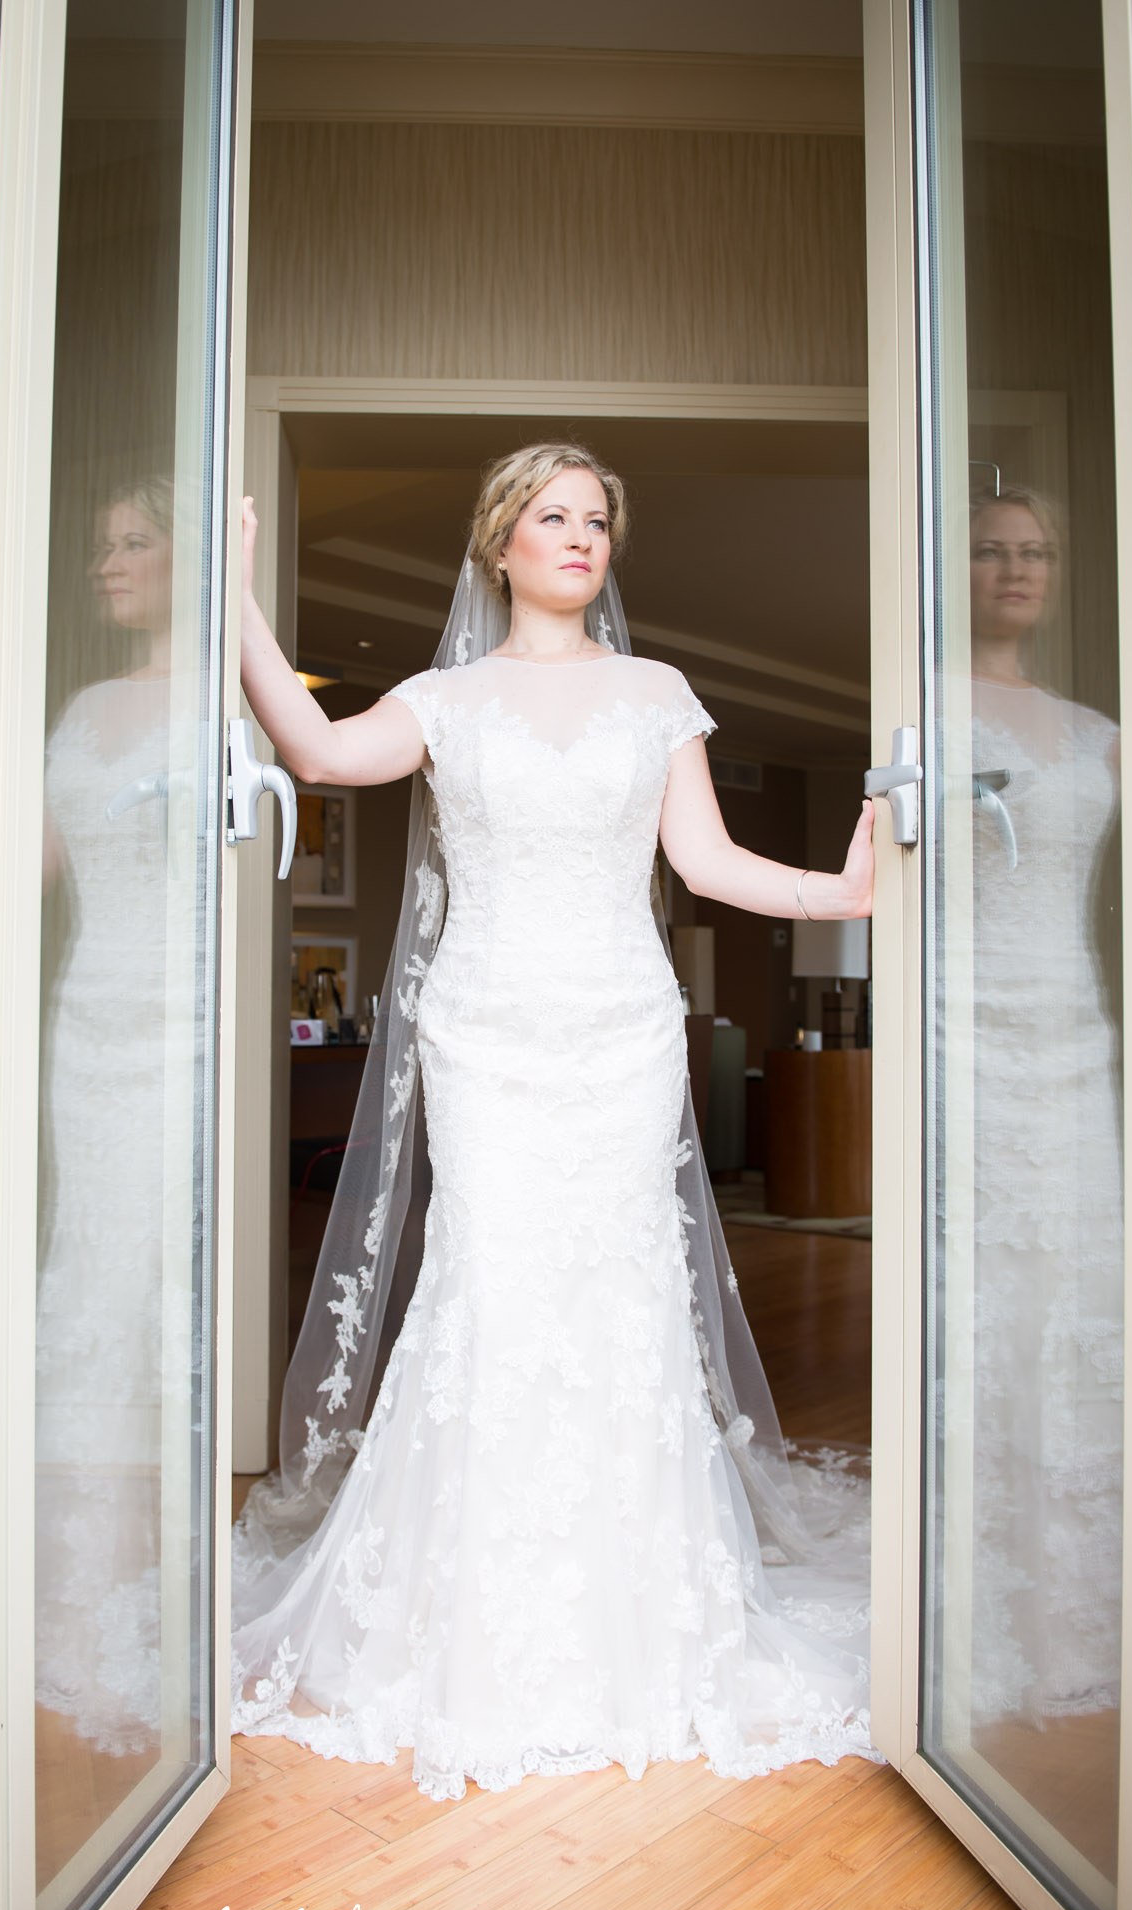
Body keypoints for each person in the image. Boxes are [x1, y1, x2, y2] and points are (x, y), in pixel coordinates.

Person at [229, 442, 880, 1802]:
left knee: (618, 1299)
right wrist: (237, 602)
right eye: (552, 516)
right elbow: (317, 750)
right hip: (484, 1034)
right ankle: (461, 1625)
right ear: (499, 543)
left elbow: (701, 862)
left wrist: (841, 889)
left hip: (622, 1033)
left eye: (597, 520)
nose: (579, 537)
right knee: (493, 1289)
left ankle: (640, 1624)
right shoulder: (441, 699)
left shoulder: (658, 694)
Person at [963, 484, 1124, 1734]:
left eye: (1037, 553)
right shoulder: (920, 706)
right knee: (988, 1309)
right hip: (967, 1043)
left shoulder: (1102, 731)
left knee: (1077, 1303)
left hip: (1076, 1037)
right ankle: (978, 1589)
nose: (1017, 570)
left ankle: (1082, 1593)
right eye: (991, 550)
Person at [36, 477, 180, 1763]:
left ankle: (154, 1602)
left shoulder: (230, 710)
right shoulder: (82, 710)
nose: (108, 564)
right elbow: (26, 867)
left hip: (181, 1033)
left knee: (149, 1300)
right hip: (85, 1031)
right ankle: (70, 1595)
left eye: (132, 541)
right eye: (102, 544)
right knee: (84, 1289)